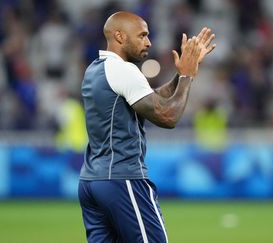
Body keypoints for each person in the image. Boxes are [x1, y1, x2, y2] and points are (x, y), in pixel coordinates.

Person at [77, 11, 215, 243]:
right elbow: (167, 116)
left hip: (91, 182)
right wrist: (188, 77)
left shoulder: (95, 69)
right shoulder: (124, 70)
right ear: (119, 36)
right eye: (142, 35)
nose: (149, 42)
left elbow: (152, 100)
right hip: (122, 179)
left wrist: (181, 75)